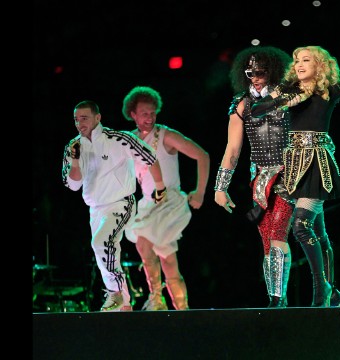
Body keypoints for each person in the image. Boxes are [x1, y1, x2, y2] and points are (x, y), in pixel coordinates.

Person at [251, 45, 340, 307]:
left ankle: (321, 289)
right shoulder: (289, 90)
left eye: (306, 60)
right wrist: (281, 100)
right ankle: (333, 292)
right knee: (319, 230)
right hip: (293, 163)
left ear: (320, 65)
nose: (299, 64)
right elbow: (257, 109)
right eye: (296, 61)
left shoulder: (332, 88)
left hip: (317, 161)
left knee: (301, 226)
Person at [62, 100, 167, 311]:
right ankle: (124, 304)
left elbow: (150, 156)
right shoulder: (74, 146)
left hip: (121, 203)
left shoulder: (119, 138)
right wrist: (75, 160)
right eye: (76, 119)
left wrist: (160, 187)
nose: (79, 123)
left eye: (84, 118)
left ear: (97, 118)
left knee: (101, 243)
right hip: (96, 208)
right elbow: (72, 185)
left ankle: (115, 293)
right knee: (103, 251)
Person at [213, 46, 297, 308]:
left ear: (273, 70)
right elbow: (233, 148)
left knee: (277, 234)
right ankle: (276, 298)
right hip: (260, 179)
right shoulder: (242, 103)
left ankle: (278, 299)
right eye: (250, 72)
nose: (255, 77)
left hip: (291, 174)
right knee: (266, 239)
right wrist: (220, 187)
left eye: (260, 72)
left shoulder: (290, 97)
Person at [122, 86, 210, 311]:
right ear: (133, 114)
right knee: (169, 262)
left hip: (169, 203)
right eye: (144, 113)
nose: (149, 117)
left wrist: (199, 192)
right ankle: (182, 309)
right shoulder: (130, 140)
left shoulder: (166, 135)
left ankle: (157, 299)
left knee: (143, 242)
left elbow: (202, 155)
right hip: (149, 204)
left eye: (152, 113)